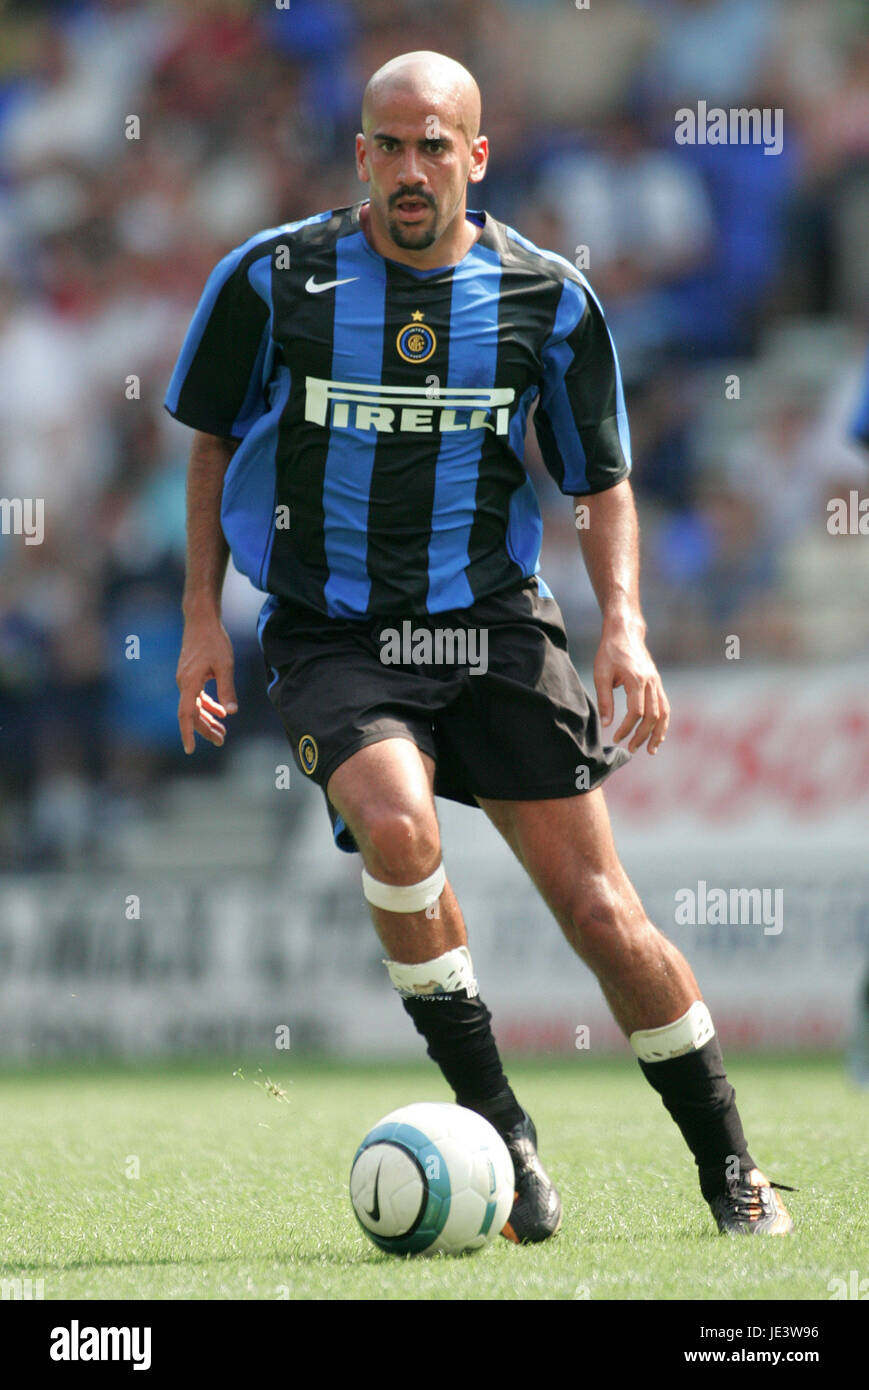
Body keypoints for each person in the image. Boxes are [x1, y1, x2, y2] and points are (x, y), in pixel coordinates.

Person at [167, 51, 793, 1241]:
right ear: (358, 154)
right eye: (388, 146)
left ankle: (732, 1170)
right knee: (398, 830)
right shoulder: (271, 278)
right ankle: (500, 1127)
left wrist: (629, 632)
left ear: (477, 154)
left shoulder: (547, 297)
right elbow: (207, 443)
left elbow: (599, 483)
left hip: (494, 626)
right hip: (330, 629)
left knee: (602, 912)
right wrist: (202, 617)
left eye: (433, 145)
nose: (410, 170)